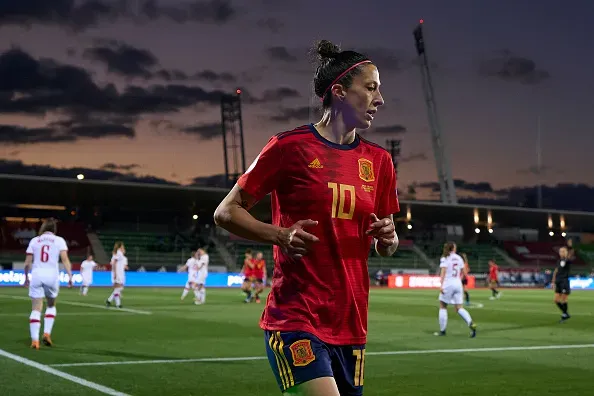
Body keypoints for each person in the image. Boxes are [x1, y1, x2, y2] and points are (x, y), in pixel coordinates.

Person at [214, 39, 399, 396]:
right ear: (340, 92)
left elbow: (384, 248)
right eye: (371, 88)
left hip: (351, 322)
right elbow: (226, 212)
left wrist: (387, 239)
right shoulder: (288, 147)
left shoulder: (380, 162)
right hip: (296, 317)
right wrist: (279, 234)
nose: (380, 100)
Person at [23, 218, 73, 349]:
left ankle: (35, 341)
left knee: (36, 308)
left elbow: (27, 262)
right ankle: (46, 333)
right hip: (52, 276)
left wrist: (26, 277)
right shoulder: (59, 240)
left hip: (37, 275)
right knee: (51, 306)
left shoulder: (35, 240)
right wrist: (70, 276)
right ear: (54, 229)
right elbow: (65, 259)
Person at [434, 242, 477, 337]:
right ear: (453, 248)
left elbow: (443, 273)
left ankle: (442, 331)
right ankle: (471, 323)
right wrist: (458, 280)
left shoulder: (445, 258)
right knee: (459, 308)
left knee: (442, 306)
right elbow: (465, 273)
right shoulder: (459, 258)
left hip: (448, 284)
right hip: (458, 284)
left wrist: (441, 285)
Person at [552, 246, 572, 323]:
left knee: (564, 299)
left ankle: (564, 315)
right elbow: (556, 270)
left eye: (563, 251)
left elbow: (570, 255)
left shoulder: (567, 260)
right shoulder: (559, 261)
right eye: (560, 251)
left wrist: (570, 247)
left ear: (566, 252)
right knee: (556, 300)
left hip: (564, 282)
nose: (561, 252)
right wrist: (553, 281)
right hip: (558, 281)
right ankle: (566, 313)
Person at [106, 241, 127, 308]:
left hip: (119, 272)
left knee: (119, 288)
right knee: (118, 288)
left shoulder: (117, 253)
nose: (123, 247)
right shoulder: (118, 253)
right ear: (120, 246)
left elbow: (112, 262)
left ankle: (109, 300)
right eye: (122, 246)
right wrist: (115, 273)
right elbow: (114, 263)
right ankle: (118, 304)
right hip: (117, 273)